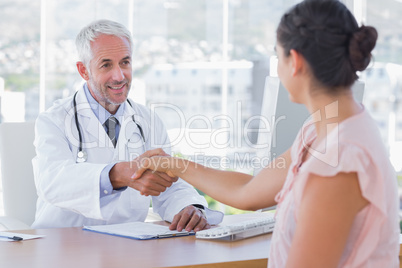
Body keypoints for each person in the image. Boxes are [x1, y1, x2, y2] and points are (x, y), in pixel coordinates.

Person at [133, 0, 400, 267]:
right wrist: (174, 165)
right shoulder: (322, 130)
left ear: (294, 61)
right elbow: (248, 191)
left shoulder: (341, 162)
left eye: (278, 55)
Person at [32, 19, 223, 231]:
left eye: (125, 62)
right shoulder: (53, 120)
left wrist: (190, 207)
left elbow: (169, 185)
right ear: (84, 71)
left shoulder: (148, 121)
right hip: (62, 247)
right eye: (106, 65)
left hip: (128, 245)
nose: (119, 76)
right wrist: (117, 174)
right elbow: (52, 183)